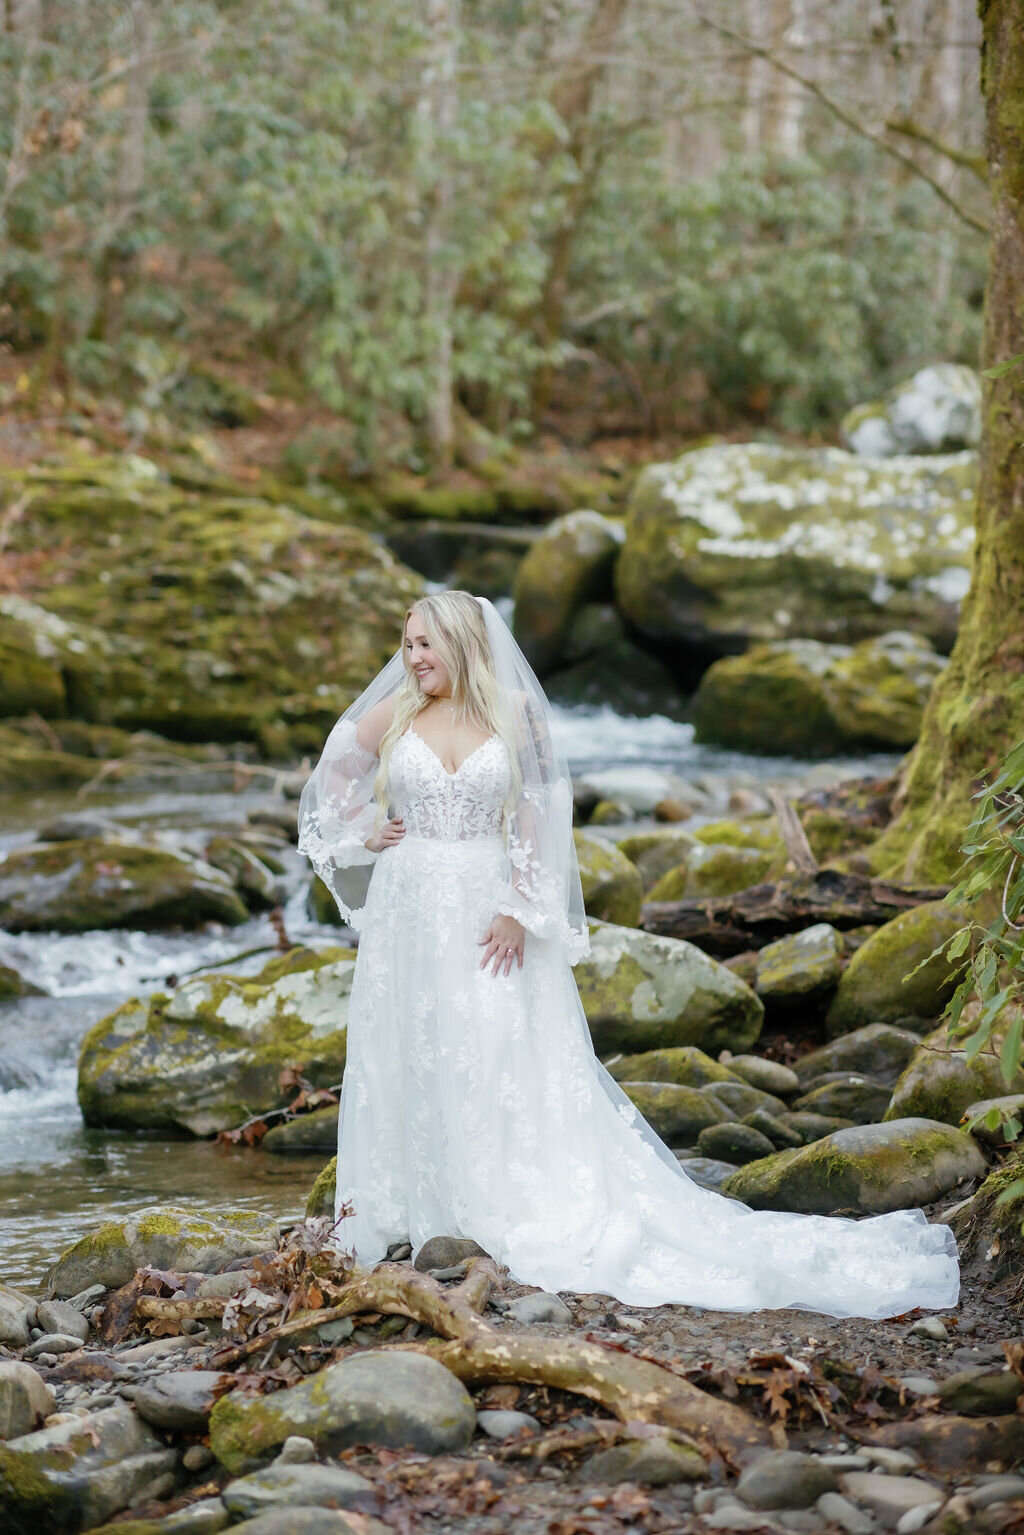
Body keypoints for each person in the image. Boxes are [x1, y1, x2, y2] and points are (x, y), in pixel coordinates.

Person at [298, 591, 960, 1318]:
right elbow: (330, 780)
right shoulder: (397, 715)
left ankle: (499, 1197)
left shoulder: (514, 711)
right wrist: (364, 831)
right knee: (417, 1039)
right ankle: (420, 1204)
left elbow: (543, 810)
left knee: (494, 1038)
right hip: (410, 906)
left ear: (461, 643)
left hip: (488, 900)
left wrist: (521, 907)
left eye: (426, 643)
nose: (413, 657)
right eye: (408, 642)